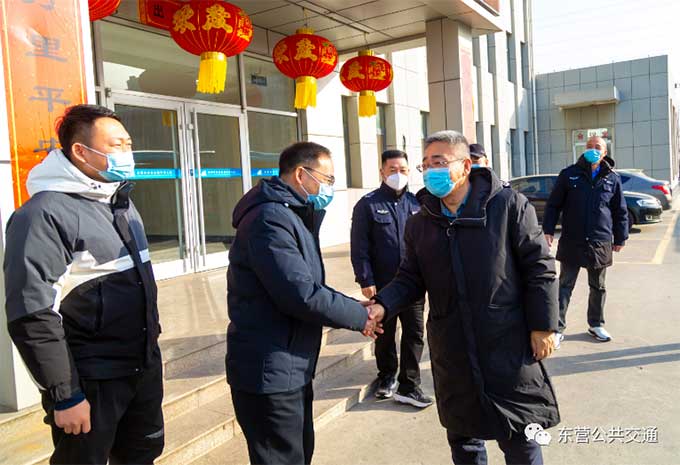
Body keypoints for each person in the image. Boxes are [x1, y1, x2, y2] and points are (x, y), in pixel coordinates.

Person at [367, 130, 560, 465]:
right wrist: (382, 304)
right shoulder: (421, 222)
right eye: (426, 164)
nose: (431, 171)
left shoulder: (508, 205)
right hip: (451, 346)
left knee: (520, 438)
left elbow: (539, 268)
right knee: (464, 439)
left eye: (439, 162)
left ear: (466, 166)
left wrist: (544, 326)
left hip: (507, 341)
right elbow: (410, 278)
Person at [3, 104, 164, 464]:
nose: (127, 152)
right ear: (81, 151)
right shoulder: (43, 215)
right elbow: (32, 314)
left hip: (141, 368)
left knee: (142, 454)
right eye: (116, 145)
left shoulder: (120, 202)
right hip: (92, 380)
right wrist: (66, 394)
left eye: (128, 143)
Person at [226, 141, 381, 465]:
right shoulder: (270, 219)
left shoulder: (290, 215)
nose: (330, 187)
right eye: (327, 179)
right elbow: (300, 294)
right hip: (270, 369)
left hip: (290, 364)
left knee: (297, 454)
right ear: (301, 174)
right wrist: (360, 316)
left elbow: (310, 286)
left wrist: (354, 307)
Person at [350, 150, 432, 407]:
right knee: (385, 335)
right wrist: (365, 279)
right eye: (393, 169)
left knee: (414, 333)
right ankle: (386, 376)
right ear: (382, 172)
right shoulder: (367, 204)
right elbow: (359, 246)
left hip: (413, 285)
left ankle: (410, 384)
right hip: (383, 284)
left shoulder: (417, 203)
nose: (399, 174)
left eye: (403, 170)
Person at [543, 136, 628, 346]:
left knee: (598, 286)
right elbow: (553, 205)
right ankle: (557, 328)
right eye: (589, 146)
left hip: (600, 241)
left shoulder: (612, 178)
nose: (592, 149)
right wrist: (548, 230)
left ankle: (596, 324)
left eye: (597, 147)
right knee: (565, 285)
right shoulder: (569, 174)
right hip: (573, 240)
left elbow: (620, 210)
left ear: (605, 152)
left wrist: (620, 236)